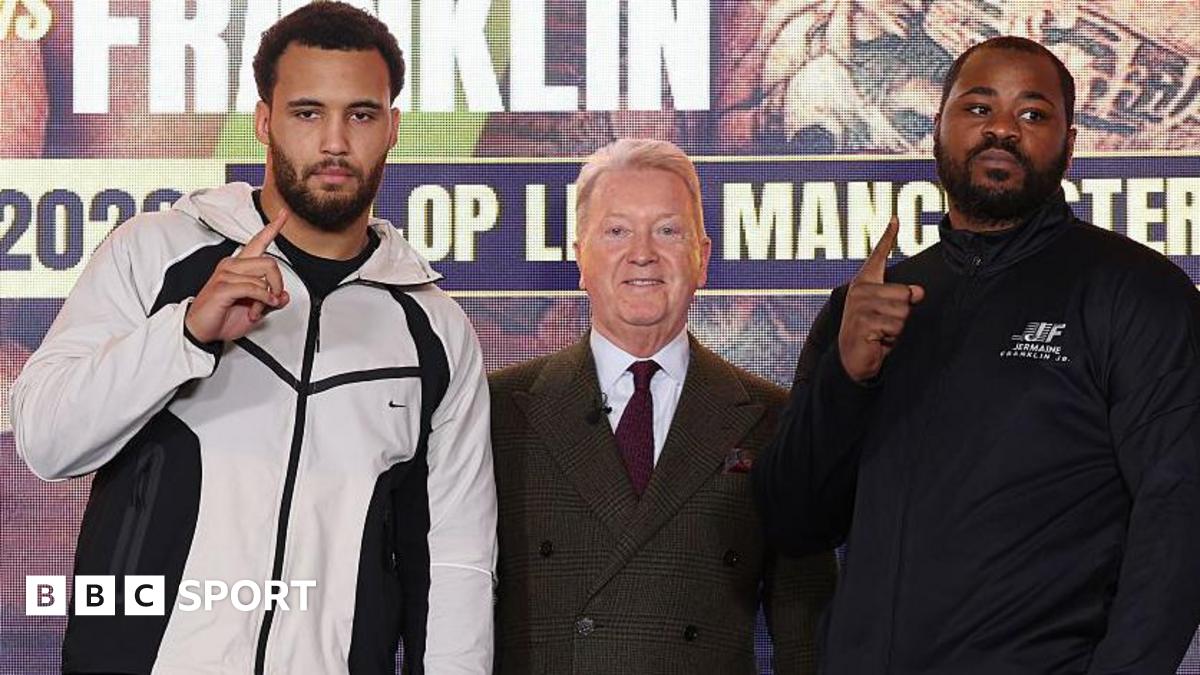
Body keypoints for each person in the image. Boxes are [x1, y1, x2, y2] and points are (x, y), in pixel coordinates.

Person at [10, 4, 495, 673]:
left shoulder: (435, 329)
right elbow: (45, 439)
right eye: (306, 112)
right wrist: (185, 333)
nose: (334, 142)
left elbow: (456, 561)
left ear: (392, 128)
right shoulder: (155, 253)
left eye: (360, 115)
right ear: (264, 120)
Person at [755, 35, 1200, 673]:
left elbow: (1179, 520)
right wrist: (845, 378)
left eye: (1033, 113)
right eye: (978, 107)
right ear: (937, 128)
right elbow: (794, 523)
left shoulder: (1135, 293)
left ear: (1070, 144)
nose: (1003, 129)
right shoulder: (870, 308)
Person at [488, 138, 835, 675]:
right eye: (617, 231)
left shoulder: (771, 419)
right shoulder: (498, 411)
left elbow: (807, 628)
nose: (643, 253)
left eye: (668, 231)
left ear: (703, 258)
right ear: (580, 257)